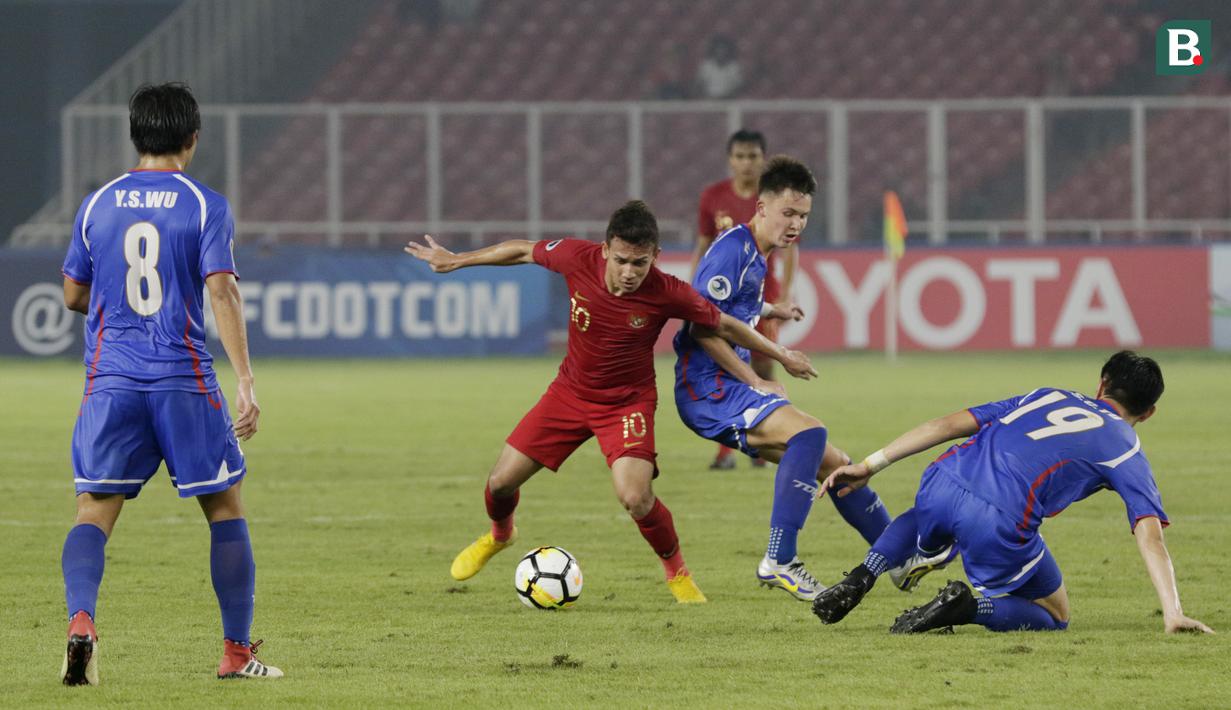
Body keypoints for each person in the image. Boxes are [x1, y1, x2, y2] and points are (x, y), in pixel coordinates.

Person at [404, 200, 816, 603]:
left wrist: (778, 357)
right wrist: (458, 260)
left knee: (636, 497)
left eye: (640, 263)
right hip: (568, 393)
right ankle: (500, 535)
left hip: (627, 404)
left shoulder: (667, 291)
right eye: (621, 260)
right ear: (605, 250)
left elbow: (723, 322)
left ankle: (677, 573)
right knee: (499, 483)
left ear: (655, 256)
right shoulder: (575, 257)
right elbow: (521, 250)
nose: (630, 272)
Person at [58, 83, 281, 685]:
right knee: (224, 506)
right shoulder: (205, 204)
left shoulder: (97, 204)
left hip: (111, 381)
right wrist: (246, 381)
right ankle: (235, 652)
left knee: (92, 511)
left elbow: (74, 294)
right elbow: (221, 290)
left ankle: (82, 619)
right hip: (183, 379)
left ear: (136, 135)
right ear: (193, 137)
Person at [812, 351, 1214, 636]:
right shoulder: (1125, 448)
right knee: (1055, 615)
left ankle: (864, 573)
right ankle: (968, 606)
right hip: (998, 517)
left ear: (1101, 384)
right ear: (1148, 412)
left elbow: (946, 425)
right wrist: (1173, 612)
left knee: (930, 512)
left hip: (943, 477)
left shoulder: (1047, 395)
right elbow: (1149, 534)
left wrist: (869, 465)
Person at [674, 156, 891, 602]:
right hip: (709, 390)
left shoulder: (755, 253)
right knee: (809, 434)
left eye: (803, 216)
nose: (796, 225)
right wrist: (759, 376)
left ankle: (899, 556)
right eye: (788, 213)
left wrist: (773, 309)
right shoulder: (732, 251)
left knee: (836, 465)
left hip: (726, 386)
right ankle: (780, 559)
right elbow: (702, 328)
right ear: (762, 207)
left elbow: (736, 307)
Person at [691, 130, 799, 470]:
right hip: (723, 299)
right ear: (730, 160)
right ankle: (727, 451)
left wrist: (784, 294)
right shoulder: (712, 196)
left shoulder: (773, 197)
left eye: (753, 156)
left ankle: (765, 438)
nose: (746, 163)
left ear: (763, 159)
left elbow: (790, 248)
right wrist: (691, 293)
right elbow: (703, 245)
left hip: (761, 295)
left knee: (762, 364)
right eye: (740, 156)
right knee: (725, 364)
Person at [697, 35, 743, 99]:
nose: (721, 52)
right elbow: (699, 85)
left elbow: (738, 87)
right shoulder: (706, 65)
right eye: (719, 49)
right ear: (714, 50)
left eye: (724, 49)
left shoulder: (734, 67)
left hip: (728, 100)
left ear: (728, 51)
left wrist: (726, 97)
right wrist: (706, 97)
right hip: (708, 100)